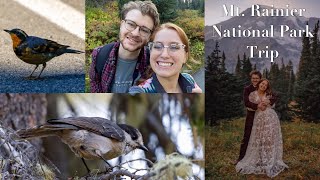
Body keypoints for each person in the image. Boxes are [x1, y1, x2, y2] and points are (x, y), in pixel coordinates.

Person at [89, 1, 160, 93]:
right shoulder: (99, 55)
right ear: (121, 24)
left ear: (150, 36)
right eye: (130, 24)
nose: (135, 33)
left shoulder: (154, 62)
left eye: (144, 30)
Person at [128, 23, 202, 93]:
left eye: (174, 47)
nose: (164, 55)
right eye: (157, 46)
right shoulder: (141, 92)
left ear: (185, 57)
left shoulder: (188, 79)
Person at [236, 79, 288, 177]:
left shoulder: (268, 95)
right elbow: (249, 106)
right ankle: (259, 159)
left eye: (266, 85)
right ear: (259, 84)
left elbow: (273, 103)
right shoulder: (252, 94)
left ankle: (269, 159)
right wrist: (258, 106)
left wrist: (267, 103)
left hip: (270, 119)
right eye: (262, 83)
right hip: (259, 120)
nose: (263, 86)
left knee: (269, 139)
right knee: (258, 138)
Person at [235, 70, 272, 163]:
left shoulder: (263, 87)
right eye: (253, 78)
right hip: (251, 115)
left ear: (260, 79)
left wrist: (268, 102)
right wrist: (257, 106)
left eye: (257, 78)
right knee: (247, 136)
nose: (255, 80)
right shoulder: (247, 89)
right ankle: (241, 158)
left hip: (262, 117)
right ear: (251, 79)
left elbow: (274, 96)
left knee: (261, 137)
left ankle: (260, 158)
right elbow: (246, 102)